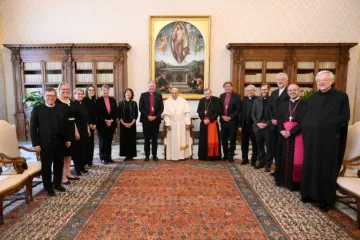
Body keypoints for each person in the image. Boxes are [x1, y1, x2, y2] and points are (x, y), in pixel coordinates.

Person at [300, 70, 350, 212]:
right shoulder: (312, 98)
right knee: (310, 165)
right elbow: (304, 116)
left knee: (325, 168)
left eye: (325, 80)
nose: (321, 82)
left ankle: (324, 199)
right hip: (311, 140)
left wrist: (324, 127)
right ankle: (308, 193)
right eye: (319, 80)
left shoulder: (341, 97)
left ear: (331, 81)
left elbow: (344, 117)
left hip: (329, 142)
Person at [30, 88, 71, 196]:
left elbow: (66, 125)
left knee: (59, 164)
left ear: (56, 97)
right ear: (44, 96)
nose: (50, 98)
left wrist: (67, 139)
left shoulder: (62, 108)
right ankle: (48, 187)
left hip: (60, 141)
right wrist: (36, 144)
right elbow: (33, 128)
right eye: (48, 95)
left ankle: (57, 184)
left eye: (53, 96)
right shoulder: (37, 109)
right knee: (47, 166)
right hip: (45, 143)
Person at [275, 84, 306, 190]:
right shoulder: (283, 104)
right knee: (282, 156)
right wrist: (281, 130)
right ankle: (281, 180)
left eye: (294, 90)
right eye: (290, 90)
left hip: (297, 135)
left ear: (299, 90)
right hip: (283, 135)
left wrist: (292, 131)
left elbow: (304, 121)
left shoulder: (305, 104)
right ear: (287, 92)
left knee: (295, 158)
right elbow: (278, 120)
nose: (292, 92)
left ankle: (293, 183)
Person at [56, 82, 80, 184]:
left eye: (67, 89)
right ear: (59, 90)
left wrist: (76, 131)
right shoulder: (56, 101)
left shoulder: (70, 101)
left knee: (69, 153)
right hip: (61, 130)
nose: (66, 91)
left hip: (71, 128)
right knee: (61, 154)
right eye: (63, 89)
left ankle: (68, 173)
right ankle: (62, 176)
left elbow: (73, 119)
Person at [269, 73, 289, 176]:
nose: (280, 81)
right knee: (275, 147)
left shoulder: (290, 91)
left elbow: (289, 109)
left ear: (286, 81)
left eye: (282, 80)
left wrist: (279, 120)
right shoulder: (273, 93)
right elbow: (270, 107)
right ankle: (277, 169)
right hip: (273, 125)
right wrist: (272, 118)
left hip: (284, 124)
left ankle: (284, 171)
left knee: (284, 148)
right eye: (278, 80)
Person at [163, 88, 192, 161]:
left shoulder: (183, 101)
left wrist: (188, 123)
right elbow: (166, 115)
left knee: (182, 139)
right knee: (173, 140)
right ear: (170, 93)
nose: (174, 94)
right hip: (172, 124)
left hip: (182, 123)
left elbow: (187, 113)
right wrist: (168, 124)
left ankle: (182, 156)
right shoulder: (167, 102)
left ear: (178, 93)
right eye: (173, 93)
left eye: (175, 93)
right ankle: (172, 156)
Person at [139, 81, 164, 161]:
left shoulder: (159, 95)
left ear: (155, 87)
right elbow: (141, 107)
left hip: (155, 120)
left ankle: (154, 155)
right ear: (148, 87)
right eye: (150, 86)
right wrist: (148, 116)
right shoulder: (143, 95)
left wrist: (155, 117)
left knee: (154, 138)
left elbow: (161, 108)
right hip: (146, 120)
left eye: (153, 86)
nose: (151, 88)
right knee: (146, 138)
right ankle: (147, 155)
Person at [251, 83, 273, 172]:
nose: (263, 91)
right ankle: (261, 162)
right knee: (259, 146)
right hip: (258, 126)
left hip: (268, 126)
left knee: (269, 146)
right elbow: (253, 114)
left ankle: (268, 164)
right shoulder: (257, 101)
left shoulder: (272, 100)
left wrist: (267, 124)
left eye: (265, 89)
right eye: (262, 89)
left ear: (268, 90)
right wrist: (257, 123)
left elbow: (274, 115)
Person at [96, 85, 118, 165]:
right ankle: (102, 158)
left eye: (107, 90)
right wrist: (105, 120)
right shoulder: (98, 101)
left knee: (109, 142)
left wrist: (111, 120)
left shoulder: (113, 100)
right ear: (101, 91)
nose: (105, 92)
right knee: (102, 142)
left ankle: (109, 157)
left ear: (109, 91)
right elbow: (97, 113)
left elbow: (116, 111)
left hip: (111, 124)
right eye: (103, 90)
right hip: (102, 124)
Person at [219, 81, 241, 162]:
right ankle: (225, 155)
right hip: (223, 121)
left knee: (232, 139)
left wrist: (230, 117)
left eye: (229, 86)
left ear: (232, 87)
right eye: (225, 87)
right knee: (224, 139)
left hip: (232, 121)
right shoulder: (221, 96)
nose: (227, 88)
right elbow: (219, 108)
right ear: (224, 88)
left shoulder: (237, 96)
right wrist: (222, 116)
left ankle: (231, 155)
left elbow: (238, 109)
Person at [197, 88, 221, 160]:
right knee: (204, 140)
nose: (207, 95)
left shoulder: (216, 99)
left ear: (211, 93)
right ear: (204, 94)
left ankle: (213, 156)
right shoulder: (202, 100)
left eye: (208, 93)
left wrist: (209, 119)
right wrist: (204, 119)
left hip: (212, 122)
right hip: (204, 123)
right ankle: (203, 156)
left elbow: (217, 113)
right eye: (206, 94)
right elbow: (200, 113)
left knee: (213, 139)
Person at [72, 88, 91, 176]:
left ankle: (82, 166)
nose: (80, 95)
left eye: (81, 94)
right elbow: (73, 121)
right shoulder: (73, 105)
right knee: (77, 150)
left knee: (84, 148)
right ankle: (77, 168)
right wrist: (76, 132)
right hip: (77, 130)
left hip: (84, 129)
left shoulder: (83, 104)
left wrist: (88, 129)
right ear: (74, 95)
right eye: (78, 94)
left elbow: (86, 118)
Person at [239, 85, 258, 166]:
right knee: (244, 143)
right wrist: (240, 125)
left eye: (251, 90)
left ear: (254, 91)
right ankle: (245, 159)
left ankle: (253, 160)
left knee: (255, 143)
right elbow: (240, 114)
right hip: (244, 126)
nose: (249, 92)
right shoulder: (243, 101)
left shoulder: (258, 100)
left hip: (254, 126)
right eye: (248, 90)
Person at [118, 88, 138, 161]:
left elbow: (136, 115)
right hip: (123, 125)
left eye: (130, 93)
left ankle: (131, 155)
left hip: (132, 124)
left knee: (131, 140)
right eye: (127, 92)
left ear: (132, 94)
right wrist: (124, 123)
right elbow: (119, 115)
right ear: (125, 94)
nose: (128, 94)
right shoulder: (120, 103)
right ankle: (126, 155)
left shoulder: (134, 103)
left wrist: (131, 123)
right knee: (124, 140)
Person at [82, 85, 97, 167]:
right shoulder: (84, 100)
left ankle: (90, 161)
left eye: (93, 90)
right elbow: (85, 114)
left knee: (91, 144)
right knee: (86, 145)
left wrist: (95, 124)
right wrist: (89, 124)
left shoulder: (94, 101)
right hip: (86, 125)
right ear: (87, 91)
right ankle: (85, 162)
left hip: (93, 125)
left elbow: (96, 114)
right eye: (90, 90)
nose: (91, 91)